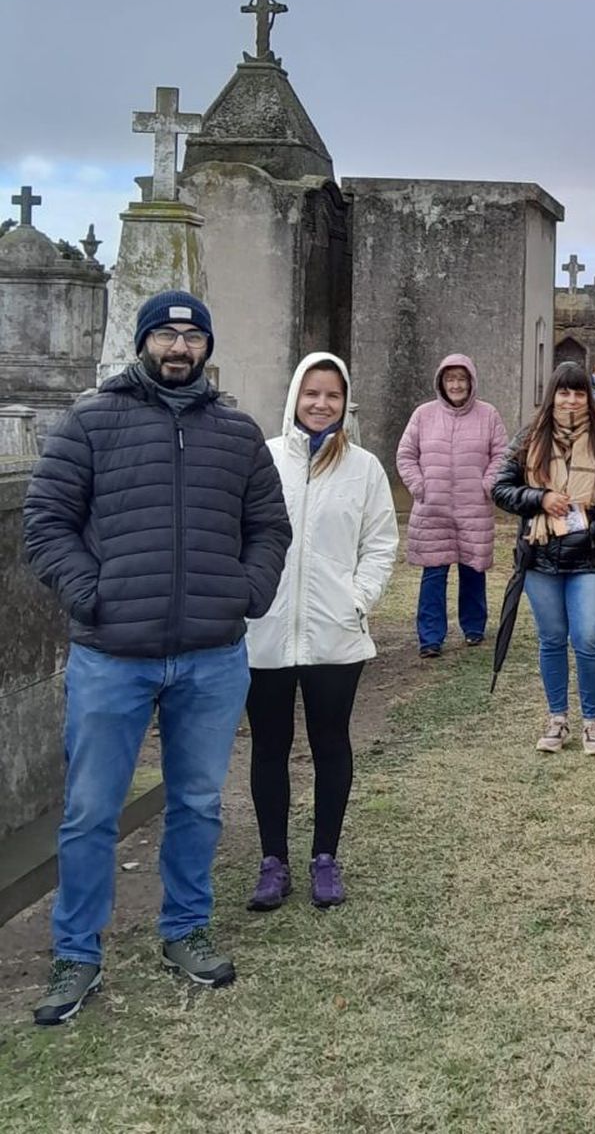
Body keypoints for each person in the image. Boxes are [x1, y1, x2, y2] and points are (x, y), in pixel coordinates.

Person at [22, 291, 292, 1025]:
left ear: (207, 347)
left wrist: (247, 589)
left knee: (199, 804)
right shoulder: (92, 422)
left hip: (211, 655)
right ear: (145, 342)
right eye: (167, 335)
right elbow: (45, 522)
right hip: (113, 655)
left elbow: (269, 525)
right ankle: (77, 951)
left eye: (192, 335)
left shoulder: (237, 434)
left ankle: (184, 929)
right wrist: (94, 593)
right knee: (89, 812)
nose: (180, 347)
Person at [244, 353, 398, 912]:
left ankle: (325, 858)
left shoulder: (364, 468)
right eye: (311, 392)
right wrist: (248, 599)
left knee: (331, 743)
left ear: (345, 401)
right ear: (294, 396)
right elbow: (241, 533)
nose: (320, 404)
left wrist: (356, 601)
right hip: (266, 631)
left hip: (335, 634)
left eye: (332, 394)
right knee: (270, 745)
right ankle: (272, 861)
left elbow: (379, 543)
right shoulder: (262, 460)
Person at [493, 363, 595, 755]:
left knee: (588, 639)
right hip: (540, 555)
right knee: (552, 639)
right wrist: (539, 498)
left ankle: (593, 722)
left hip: (590, 556)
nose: (571, 400)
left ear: (587, 397)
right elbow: (500, 487)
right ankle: (557, 718)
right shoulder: (530, 438)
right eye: (564, 393)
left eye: (579, 393)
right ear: (553, 395)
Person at [396, 355, 508, 657]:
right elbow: (406, 455)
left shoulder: (488, 415)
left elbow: (501, 455)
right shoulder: (423, 415)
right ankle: (430, 637)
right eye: (450, 379)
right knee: (434, 573)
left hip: (474, 507)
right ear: (441, 383)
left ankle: (474, 627)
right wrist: (420, 487)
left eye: (461, 378)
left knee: (473, 568)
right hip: (433, 508)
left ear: (471, 381)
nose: (456, 385)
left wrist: (487, 485)